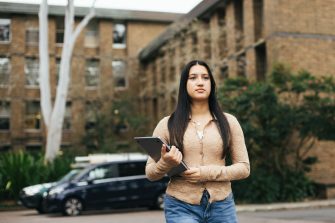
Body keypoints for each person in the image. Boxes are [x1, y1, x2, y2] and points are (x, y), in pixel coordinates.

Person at [145, 60, 250, 223]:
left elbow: (244, 168)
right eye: (193, 77)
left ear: (212, 84)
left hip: (222, 205)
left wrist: (206, 173)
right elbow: (150, 173)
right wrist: (165, 163)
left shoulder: (229, 122)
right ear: (184, 84)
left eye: (205, 77)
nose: (200, 82)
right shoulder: (167, 124)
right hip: (180, 205)